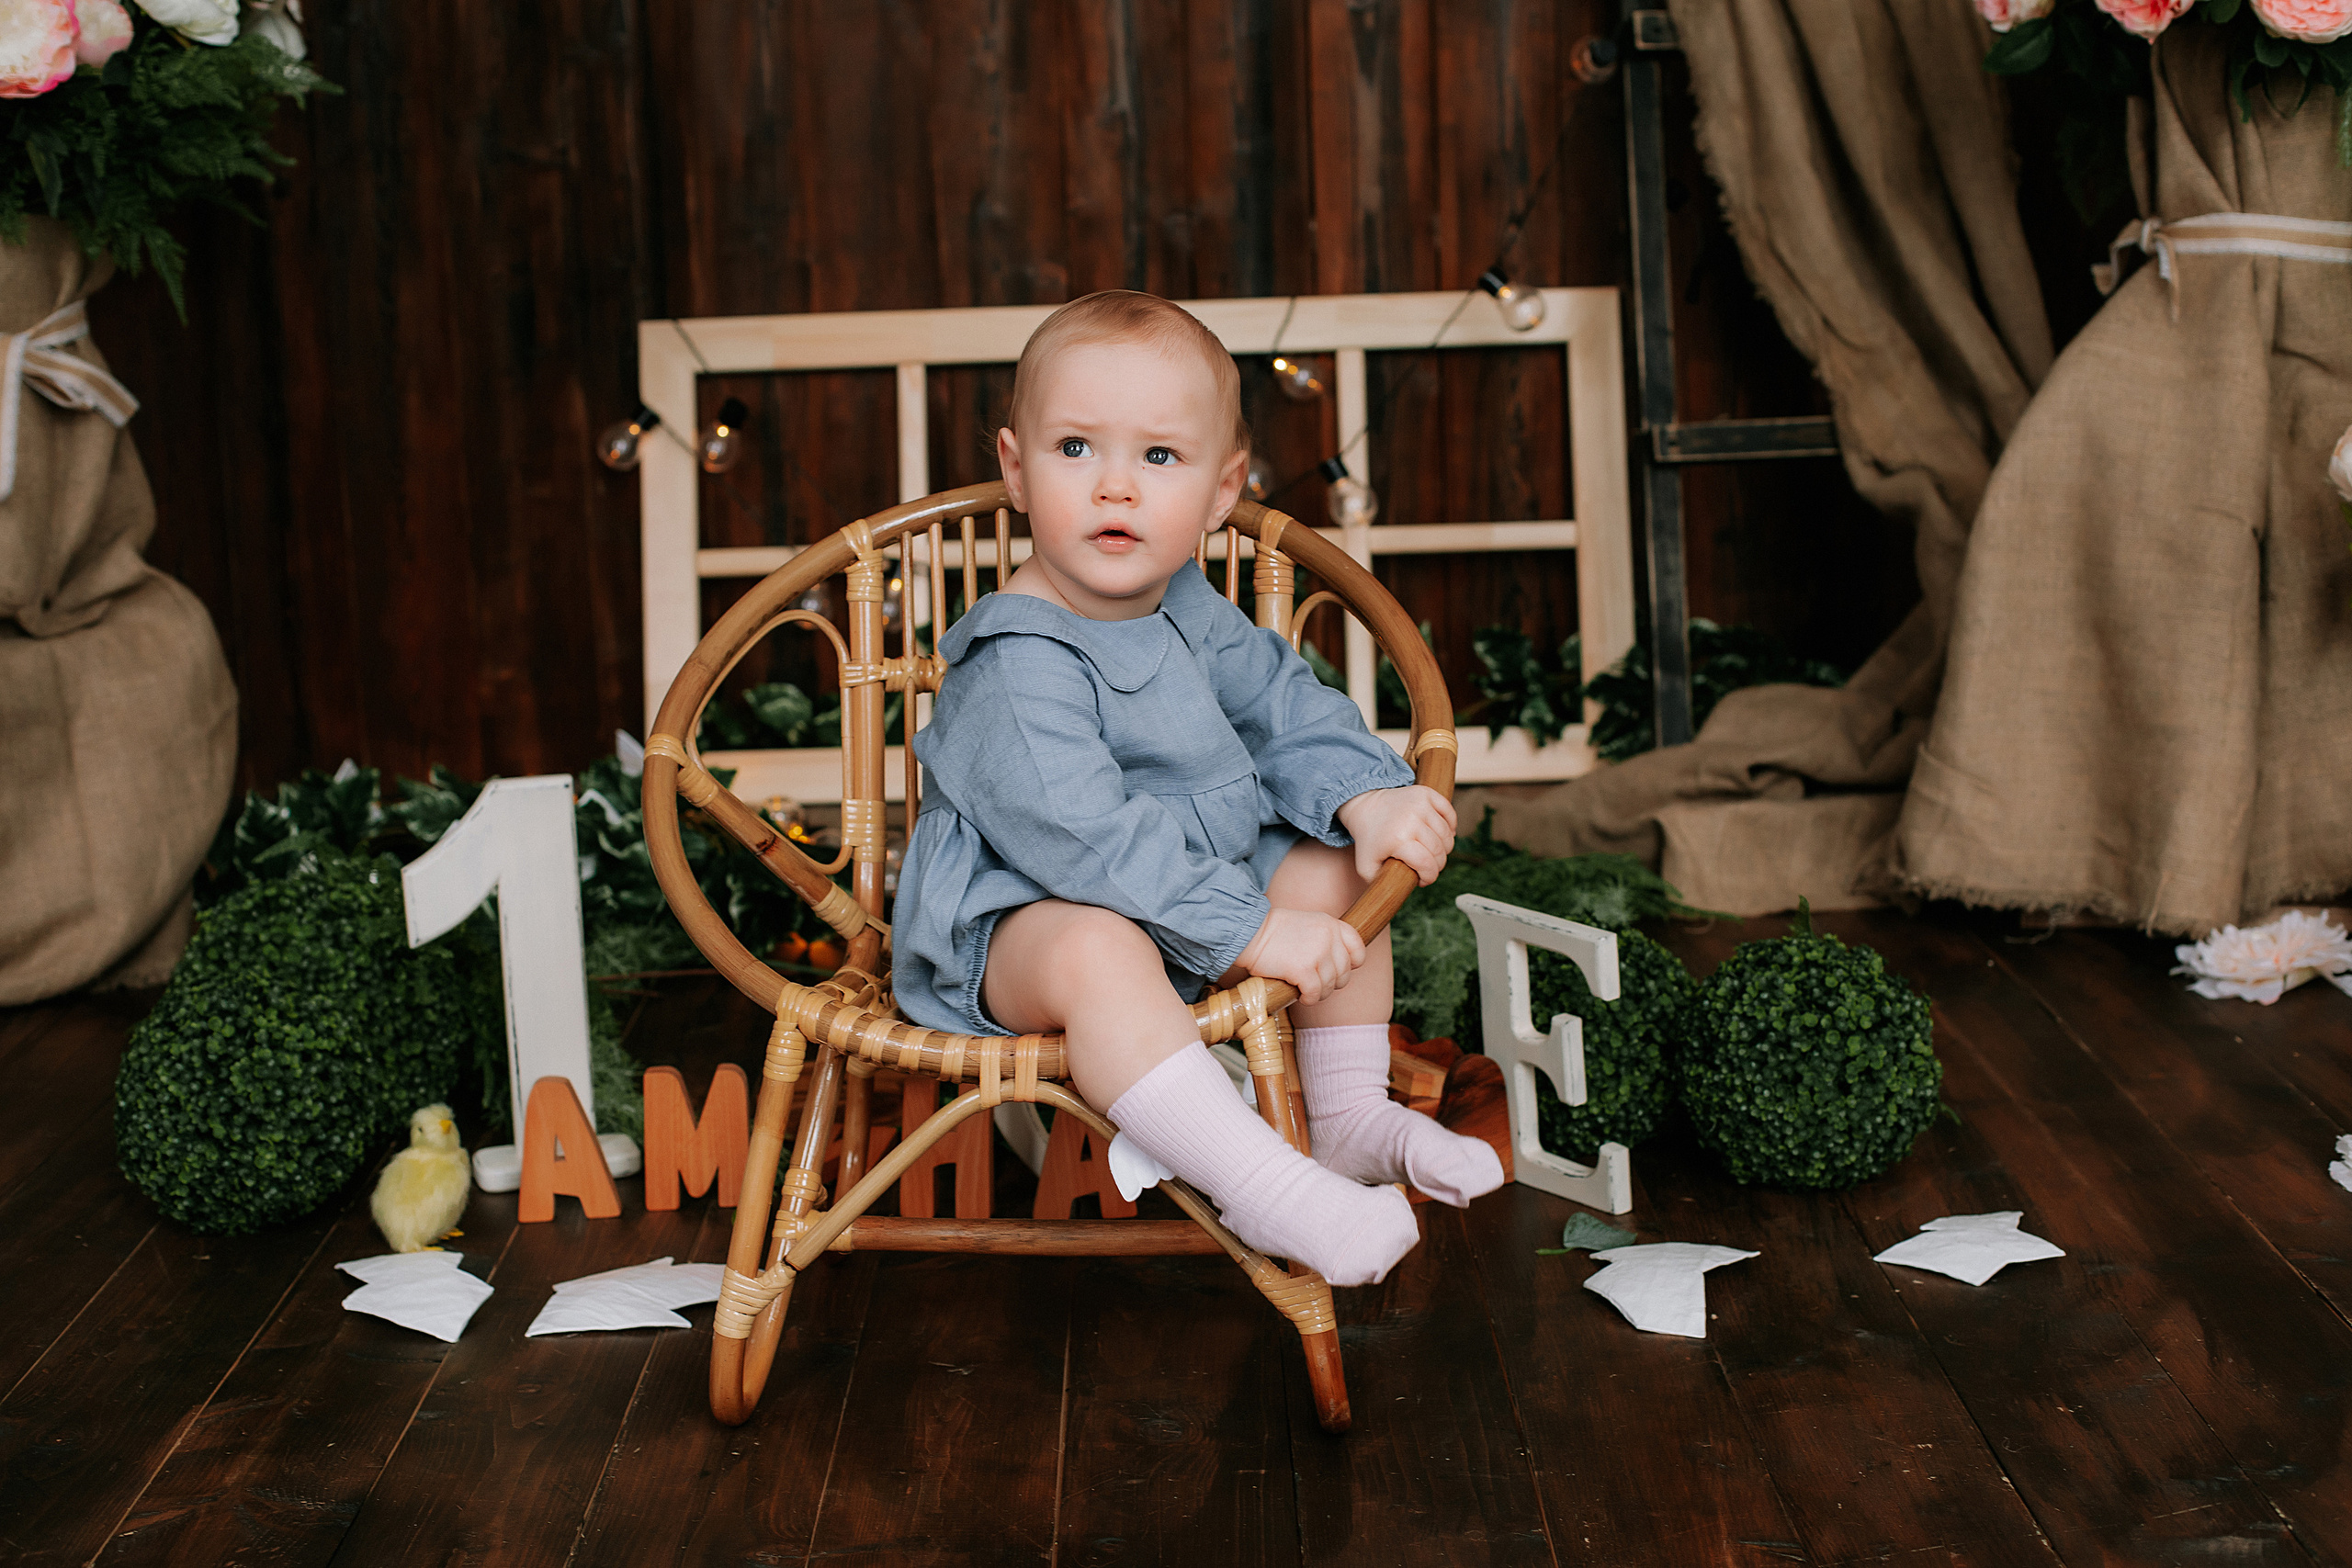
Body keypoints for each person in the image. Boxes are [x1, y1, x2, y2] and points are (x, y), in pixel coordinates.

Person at [893, 291, 1503, 1286]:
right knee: (1097, 944)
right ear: (1015, 467)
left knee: (1328, 864)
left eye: (1158, 458)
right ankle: (1268, 1188)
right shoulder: (1017, 655)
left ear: (1223, 493)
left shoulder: (1182, 600)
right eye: (1076, 449)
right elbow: (1082, 839)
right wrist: (1251, 932)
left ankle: (1344, 1118)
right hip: (1011, 930)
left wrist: (1362, 798)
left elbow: (1278, 702)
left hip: (1187, 907)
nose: (1115, 490)